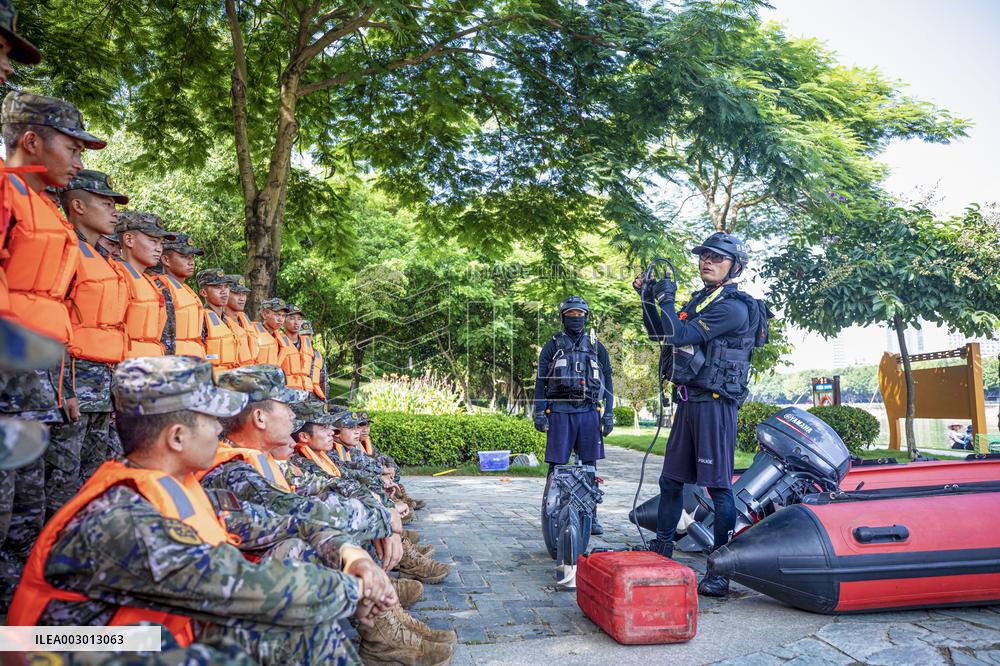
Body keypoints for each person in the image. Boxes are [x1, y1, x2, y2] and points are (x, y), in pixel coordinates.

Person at [8, 356, 393, 665]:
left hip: (125, 637)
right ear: (176, 437)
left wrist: (348, 550)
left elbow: (275, 522)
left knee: (292, 622)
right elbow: (243, 587)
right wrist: (358, 588)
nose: (219, 429)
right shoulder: (123, 521)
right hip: (59, 650)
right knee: (280, 625)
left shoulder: (176, 483)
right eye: (210, 420)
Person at [0, 90, 107, 609]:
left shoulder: (45, 207)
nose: (79, 162)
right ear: (31, 139)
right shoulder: (6, 194)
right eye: (73, 148)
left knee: (29, 508)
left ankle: (21, 619)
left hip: (36, 383)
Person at [634, 231, 770, 598]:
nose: (706, 261)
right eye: (704, 255)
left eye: (717, 257)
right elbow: (662, 333)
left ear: (734, 266)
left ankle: (719, 569)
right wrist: (648, 298)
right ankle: (662, 551)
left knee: (719, 488)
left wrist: (665, 300)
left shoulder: (733, 307)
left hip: (715, 405)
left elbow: (679, 335)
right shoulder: (702, 300)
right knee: (670, 482)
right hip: (689, 401)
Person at [46, 170, 130, 519]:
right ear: (77, 205)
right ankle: (48, 553)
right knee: (63, 479)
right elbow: (53, 321)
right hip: (76, 380)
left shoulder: (106, 261)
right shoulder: (66, 250)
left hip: (104, 382)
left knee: (96, 476)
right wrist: (64, 389)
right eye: (105, 203)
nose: (114, 212)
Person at [533, 295, 614, 535]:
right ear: (563, 318)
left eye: (579, 315)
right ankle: (551, 514)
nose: (575, 319)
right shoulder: (552, 346)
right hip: (559, 411)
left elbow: (607, 379)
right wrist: (540, 412)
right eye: (570, 315)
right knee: (556, 466)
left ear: (586, 317)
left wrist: (608, 413)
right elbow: (540, 381)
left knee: (589, 466)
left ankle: (591, 516)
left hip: (589, 411)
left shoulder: (596, 346)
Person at [115, 211, 176, 357]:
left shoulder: (153, 286)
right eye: (153, 241)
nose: (159, 249)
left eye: (161, 243)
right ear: (129, 239)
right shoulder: (115, 277)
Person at [152, 232, 207, 357]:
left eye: (192, 257)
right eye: (184, 256)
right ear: (166, 260)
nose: (191, 262)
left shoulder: (187, 291)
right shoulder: (160, 287)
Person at [197, 268, 240, 372]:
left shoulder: (227, 321)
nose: (224, 292)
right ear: (203, 292)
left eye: (226, 287)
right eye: (217, 287)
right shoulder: (201, 318)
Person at [275, 303, 313, 393]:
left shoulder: (306, 343)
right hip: (285, 393)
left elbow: (312, 372)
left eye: (299, 319)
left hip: (306, 394)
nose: (296, 322)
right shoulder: (277, 341)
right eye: (292, 318)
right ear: (283, 320)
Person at [223, 274, 256, 365]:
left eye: (244, 294)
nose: (242, 298)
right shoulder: (220, 322)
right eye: (237, 294)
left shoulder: (245, 319)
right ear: (226, 293)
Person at [254, 297, 289, 366]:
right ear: (265, 314)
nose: (281, 319)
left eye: (283, 316)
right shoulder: (254, 332)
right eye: (277, 314)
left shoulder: (279, 338)